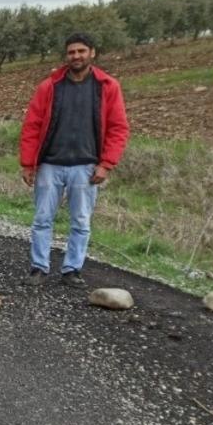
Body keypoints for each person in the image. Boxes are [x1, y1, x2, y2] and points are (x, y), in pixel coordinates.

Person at [19, 32, 130, 286]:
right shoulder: (50, 86)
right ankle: (39, 267)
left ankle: (72, 269)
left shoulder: (107, 87)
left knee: (81, 220)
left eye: (81, 51)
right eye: (71, 52)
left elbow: (118, 128)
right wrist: (28, 163)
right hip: (50, 164)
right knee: (42, 218)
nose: (76, 56)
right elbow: (32, 125)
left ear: (92, 53)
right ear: (66, 55)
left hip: (86, 166)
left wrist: (106, 164)